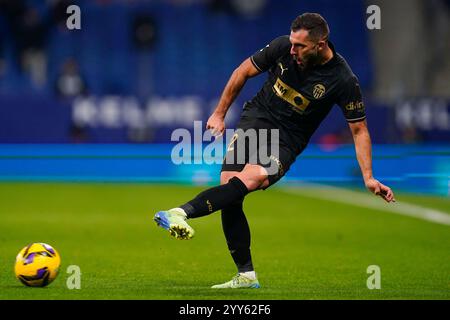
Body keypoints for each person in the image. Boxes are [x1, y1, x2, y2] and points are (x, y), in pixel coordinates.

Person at [154, 13, 396, 289]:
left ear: (320, 44)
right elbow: (242, 71)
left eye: (300, 46)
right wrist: (220, 114)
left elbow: (359, 130)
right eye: (292, 43)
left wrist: (368, 176)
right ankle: (246, 275)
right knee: (229, 194)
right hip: (256, 119)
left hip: (287, 140)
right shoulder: (283, 47)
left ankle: (179, 212)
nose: (292, 50)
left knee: (250, 180)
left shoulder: (343, 79)